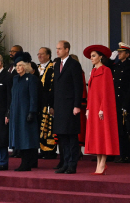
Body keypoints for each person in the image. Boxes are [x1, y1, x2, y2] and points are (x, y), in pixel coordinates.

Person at [84, 45, 119, 175]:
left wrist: (102, 108)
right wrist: (88, 108)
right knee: (96, 135)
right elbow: (91, 92)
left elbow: (107, 92)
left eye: (93, 56)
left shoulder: (106, 71)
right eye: (91, 56)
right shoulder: (93, 71)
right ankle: (99, 163)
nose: (91, 58)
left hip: (102, 108)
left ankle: (103, 163)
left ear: (100, 57)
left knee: (103, 134)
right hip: (93, 108)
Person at [50, 40, 84, 174]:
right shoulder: (57, 64)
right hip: (59, 106)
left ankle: (72, 164)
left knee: (71, 137)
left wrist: (77, 105)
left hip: (70, 106)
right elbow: (55, 87)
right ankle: (64, 163)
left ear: (67, 50)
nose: (57, 51)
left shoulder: (74, 64)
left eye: (59, 48)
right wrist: (52, 106)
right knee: (62, 136)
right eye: (56, 48)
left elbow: (78, 86)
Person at [9, 53, 39, 171]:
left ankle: (27, 163)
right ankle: (25, 162)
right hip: (16, 112)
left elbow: (33, 97)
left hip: (26, 112)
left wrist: (32, 111)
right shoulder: (15, 79)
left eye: (20, 65)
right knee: (19, 137)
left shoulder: (31, 79)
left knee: (26, 138)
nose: (18, 67)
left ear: (25, 66)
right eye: (16, 65)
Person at [110, 42, 130, 163]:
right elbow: (106, 70)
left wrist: (126, 104)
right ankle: (120, 154)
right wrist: (110, 60)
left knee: (125, 130)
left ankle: (127, 155)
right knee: (117, 130)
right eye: (119, 52)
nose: (119, 54)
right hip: (116, 102)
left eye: (121, 52)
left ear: (127, 54)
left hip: (125, 103)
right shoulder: (116, 66)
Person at [36, 46, 56, 159]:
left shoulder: (52, 68)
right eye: (38, 54)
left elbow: (52, 88)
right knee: (40, 127)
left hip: (47, 102)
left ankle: (50, 151)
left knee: (48, 127)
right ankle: (42, 149)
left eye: (42, 54)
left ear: (48, 56)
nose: (39, 56)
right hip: (39, 103)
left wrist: (51, 104)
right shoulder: (37, 67)